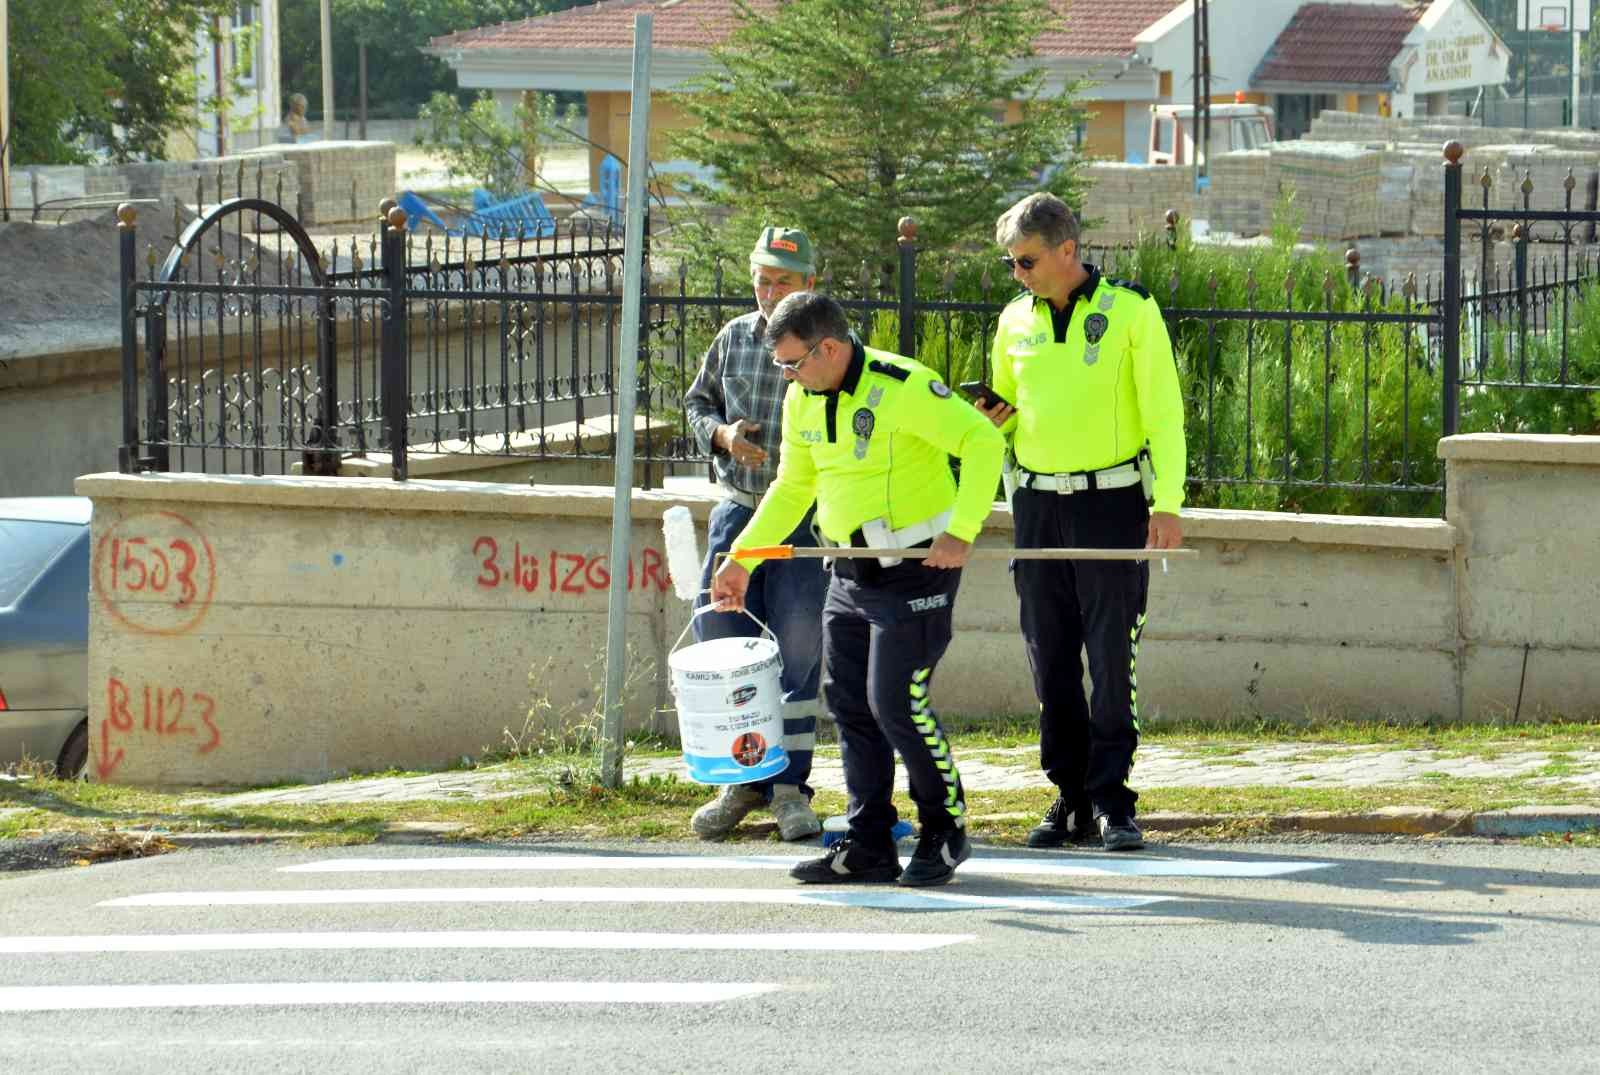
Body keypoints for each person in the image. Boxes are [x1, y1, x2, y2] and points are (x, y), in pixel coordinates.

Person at [711, 291, 1005, 887]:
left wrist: (962, 530)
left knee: (897, 702)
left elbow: (983, 442)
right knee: (847, 703)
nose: (785, 375)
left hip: (916, 567)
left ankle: (945, 831)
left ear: (831, 347)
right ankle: (868, 839)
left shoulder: (901, 385)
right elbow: (794, 487)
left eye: (792, 362)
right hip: (847, 571)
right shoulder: (802, 399)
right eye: (780, 364)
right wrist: (743, 556)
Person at [982, 192, 1186, 853]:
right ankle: (1067, 793)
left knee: (1109, 653)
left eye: (1027, 260)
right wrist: (989, 422)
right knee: (1050, 658)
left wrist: (1170, 504)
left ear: (1067, 250)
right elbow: (1006, 417)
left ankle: (1111, 797)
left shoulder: (1131, 309)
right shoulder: (1013, 320)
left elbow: (1164, 414)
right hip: (1038, 504)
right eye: (1011, 263)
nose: (1018, 273)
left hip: (1112, 501)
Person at [682, 227, 827, 842]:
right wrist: (721, 437)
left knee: (796, 653)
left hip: (800, 526)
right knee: (729, 646)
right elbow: (695, 405)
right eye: (762, 280)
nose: (769, 293)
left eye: (783, 282)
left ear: (810, 286)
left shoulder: (830, 349)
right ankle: (739, 783)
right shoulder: (732, 339)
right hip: (737, 513)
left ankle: (791, 790)